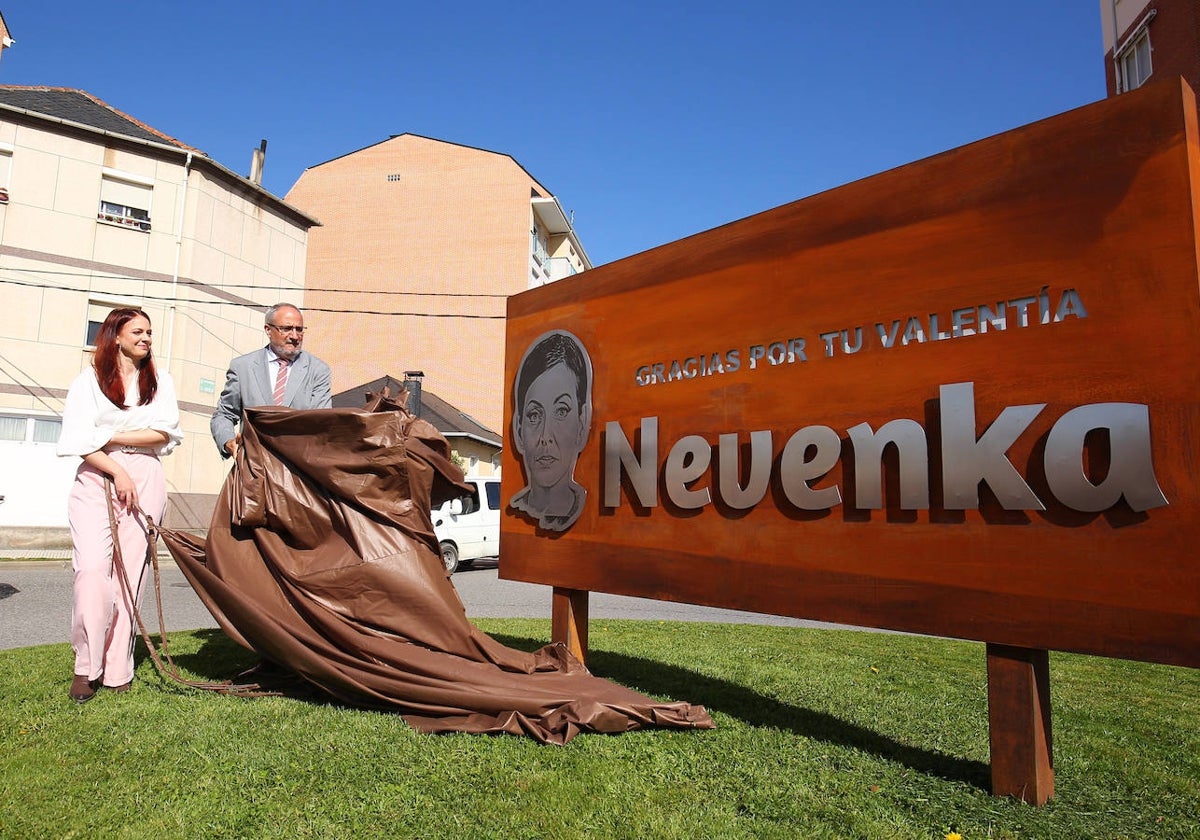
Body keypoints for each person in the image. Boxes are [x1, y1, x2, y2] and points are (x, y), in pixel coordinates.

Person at [57, 307, 183, 703]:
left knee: (131, 576)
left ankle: (117, 668)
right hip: (98, 475)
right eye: (138, 332)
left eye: (149, 332)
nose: (146, 338)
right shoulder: (88, 381)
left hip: (147, 476)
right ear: (115, 336)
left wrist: (106, 432)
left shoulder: (160, 381)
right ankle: (86, 665)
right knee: (92, 571)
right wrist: (117, 468)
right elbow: (77, 440)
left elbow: (165, 432)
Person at [210, 303, 332, 458]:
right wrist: (228, 441)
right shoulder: (243, 367)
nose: (294, 336)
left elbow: (321, 422)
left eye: (299, 329)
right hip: (253, 466)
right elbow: (224, 413)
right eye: (286, 329)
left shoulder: (318, 371)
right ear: (268, 330)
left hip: (298, 470)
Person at [509, 330, 593, 532]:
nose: (545, 437)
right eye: (534, 415)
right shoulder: (514, 515)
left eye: (561, 411)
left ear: (582, 425)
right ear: (519, 431)